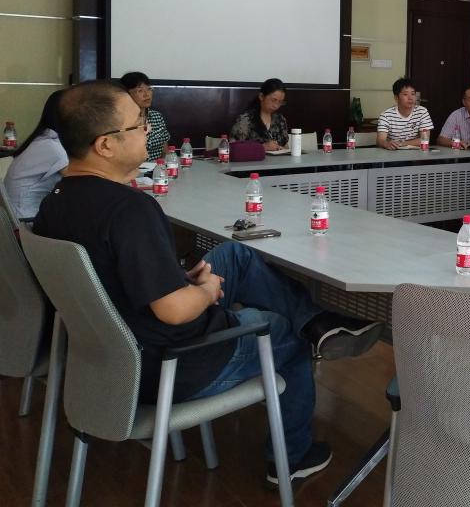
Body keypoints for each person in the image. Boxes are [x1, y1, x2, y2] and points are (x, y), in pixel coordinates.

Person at [34, 80, 383, 486]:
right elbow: (173, 310)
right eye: (138, 124)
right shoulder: (130, 210)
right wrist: (203, 291)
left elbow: (109, 278)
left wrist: (181, 279)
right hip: (176, 362)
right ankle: (292, 456)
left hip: (110, 358)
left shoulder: (54, 202)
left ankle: (318, 322)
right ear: (106, 145)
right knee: (284, 331)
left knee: (234, 254)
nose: (148, 130)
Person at [2, 89, 67, 220]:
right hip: (25, 222)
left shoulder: (43, 139)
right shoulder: (53, 148)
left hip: (14, 220)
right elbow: (83, 182)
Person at [120, 71, 170, 161]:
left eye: (149, 89)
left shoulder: (157, 116)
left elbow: (165, 151)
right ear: (126, 95)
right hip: (132, 168)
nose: (147, 94)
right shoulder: (120, 120)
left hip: (158, 167)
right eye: (140, 91)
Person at [230, 78, 289, 152]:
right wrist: (262, 147)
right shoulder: (246, 120)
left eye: (280, 102)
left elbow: (285, 145)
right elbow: (233, 148)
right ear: (261, 96)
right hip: (255, 159)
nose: (276, 106)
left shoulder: (280, 119)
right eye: (273, 100)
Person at [377, 77, 433, 150]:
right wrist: (386, 144)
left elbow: (425, 139)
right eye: (405, 94)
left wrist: (401, 144)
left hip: (415, 154)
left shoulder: (422, 112)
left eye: (413, 94)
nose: (410, 98)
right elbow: (380, 140)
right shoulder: (386, 116)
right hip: (392, 153)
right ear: (396, 98)